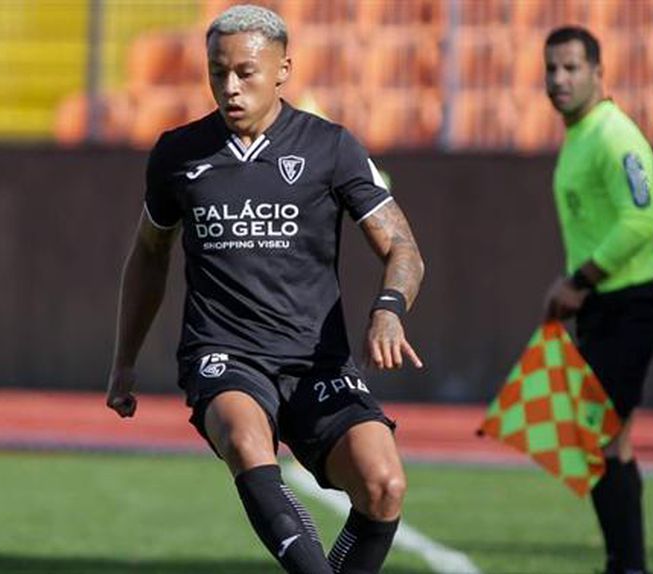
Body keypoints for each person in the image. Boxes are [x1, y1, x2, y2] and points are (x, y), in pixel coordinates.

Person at [104, 5, 425, 574]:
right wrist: (124, 362)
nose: (230, 86)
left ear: (282, 70)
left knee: (384, 485)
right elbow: (149, 254)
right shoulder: (178, 154)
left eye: (245, 72)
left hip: (317, 361)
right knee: (248, 445)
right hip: (224, 354)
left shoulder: (332, 147)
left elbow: (403, 247)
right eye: (217, 72)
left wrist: (389, 309)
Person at [542, 27, 653, 574]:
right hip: (602, 307)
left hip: (629, 307)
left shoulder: (615, 136)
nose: (559, 79)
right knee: (608, 443)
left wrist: (579, 280)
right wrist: (573, 286)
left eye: (571, 68)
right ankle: (626, 564)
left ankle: (627, 566)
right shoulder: (580, 136)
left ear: (597, 72)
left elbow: (640, 220)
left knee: (594, 437)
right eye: (551, 68)